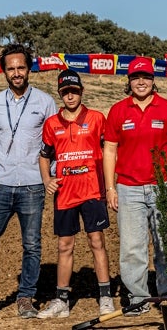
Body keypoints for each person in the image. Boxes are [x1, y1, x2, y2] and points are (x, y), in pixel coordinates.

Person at [0, 43, 57, 321]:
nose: (16, 73)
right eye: (11, 68)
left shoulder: (44, 102)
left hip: (32, 186)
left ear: (29, 69)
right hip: (0, 185)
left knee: (32, 245)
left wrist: (45, 175)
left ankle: (26, 298)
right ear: (4, 71)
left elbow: (53, 142)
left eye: (21, 67)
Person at [103, 57, 167, 316]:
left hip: (162, 186)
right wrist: (110, 188)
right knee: (132, 248)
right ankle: (138, 298)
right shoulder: (118, 110)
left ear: (153, 80)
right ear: (129, 81)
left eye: (146, 77)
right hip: (128, 188)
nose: (141, 82)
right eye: (136, 77)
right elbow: (110, 150)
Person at [36, 69, 114, 319]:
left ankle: (105, 296)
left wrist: (111, 183)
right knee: (64, 245)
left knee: (97, 241)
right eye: (65, 92)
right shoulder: (52, 124)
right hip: (65, 194)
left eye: (74, 91)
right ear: (60, 94)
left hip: (92, 191)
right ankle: (61, 300)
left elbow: (111, 150)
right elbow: (44, 155)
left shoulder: (97, 118)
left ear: (81, 91)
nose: (70, 96)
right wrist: (47, 179)